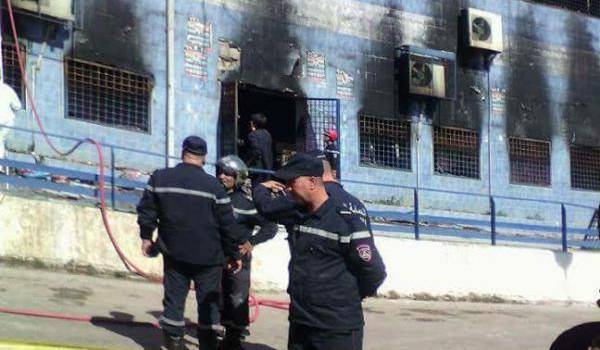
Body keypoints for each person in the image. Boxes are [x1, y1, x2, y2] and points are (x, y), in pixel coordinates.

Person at [253, 153, 386, 350]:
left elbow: (373, 271)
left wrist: (346, 296)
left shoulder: (346, 221)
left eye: (292, 182)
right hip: (302, 323)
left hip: (336, 329)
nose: (287, 188)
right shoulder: (297, 214)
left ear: (313, 182)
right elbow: (266, 208)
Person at [136, 136, 244, 350]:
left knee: (174, 301)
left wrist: (147, 237)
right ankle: (208, 344)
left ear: (183, 151)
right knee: (208, 304)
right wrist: (235, 254)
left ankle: (174, 343)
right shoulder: (214, 186)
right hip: (209, 258)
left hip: (174, 254)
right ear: (204, 157)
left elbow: (147, 210)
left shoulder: (160, 178)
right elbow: (227, 224)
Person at [216, 155, 278, 350]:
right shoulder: (214, 197)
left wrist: (252, 242)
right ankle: (225, 334)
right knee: (218, 298)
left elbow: (270, 227)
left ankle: (235, 339)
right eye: (220, 172)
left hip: (238, 262)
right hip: (216, 259)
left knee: (237, 299)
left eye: (227, 174)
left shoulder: (246, 204)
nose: (222, 177)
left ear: (238, 177)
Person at [245, 113, 273, 186]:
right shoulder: (267, 134)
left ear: (254, 123)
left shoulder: (252, 135)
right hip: (267, 167)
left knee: (256, 189)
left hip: (257, 168)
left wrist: (247, 164)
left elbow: (256, 152)